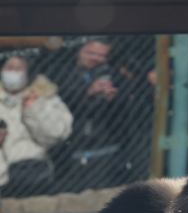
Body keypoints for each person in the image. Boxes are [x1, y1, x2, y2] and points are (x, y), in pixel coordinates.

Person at [46, 38, 132, 193]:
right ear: (79, 51)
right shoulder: (59, 73)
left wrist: (114, 100)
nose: (94, 58)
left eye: (101, 55)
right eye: (90, 52)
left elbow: (130, 112)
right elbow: (52, 104)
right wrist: (86, 92)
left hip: (106, 154)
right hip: (67, 155)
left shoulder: (115, 76)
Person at [0, 56, 73, 197]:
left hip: (33, 177)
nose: (13, 72)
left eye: (19, 68)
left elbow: (56, 135)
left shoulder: (46, 97)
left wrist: (34, 108)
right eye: (9, 67)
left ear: (28, 73)